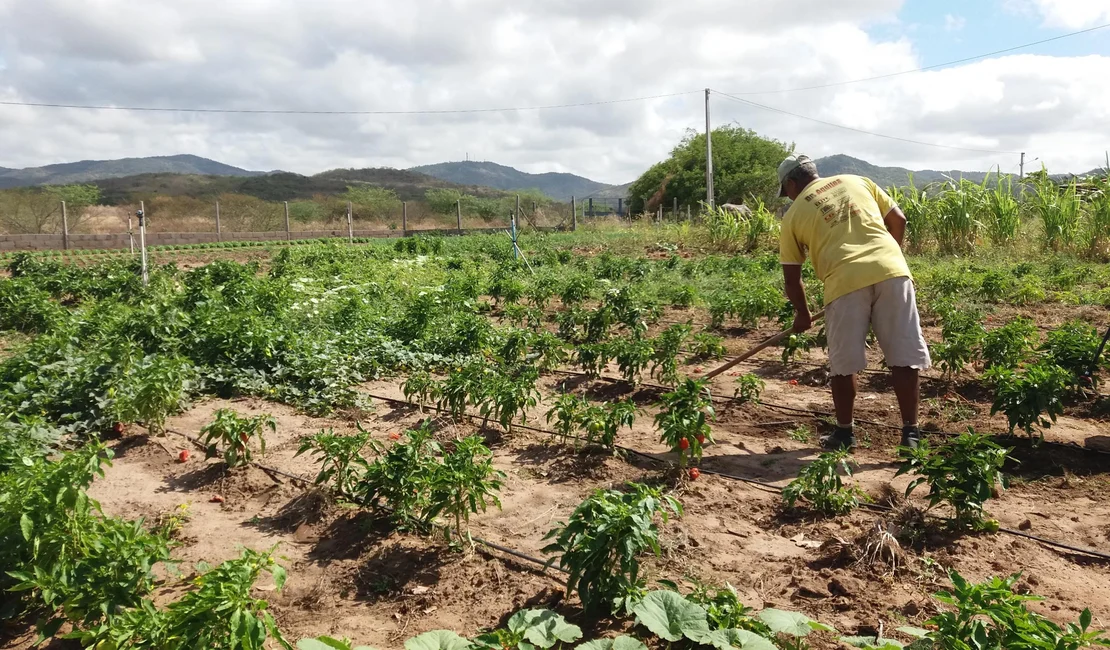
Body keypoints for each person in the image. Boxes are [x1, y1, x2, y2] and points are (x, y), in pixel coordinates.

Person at [776, 154, 931, 450]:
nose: (789, 197)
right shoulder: (858, 181)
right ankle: (911, 434)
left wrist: (802, 315)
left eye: (787, 191)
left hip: (843, 282)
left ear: (792, 183)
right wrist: (886, 258)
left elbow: (792, 278)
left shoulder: (793, 215)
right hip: (893, 272)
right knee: (904, 356)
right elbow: (898, 220)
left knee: (844, 364)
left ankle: (845, 434)